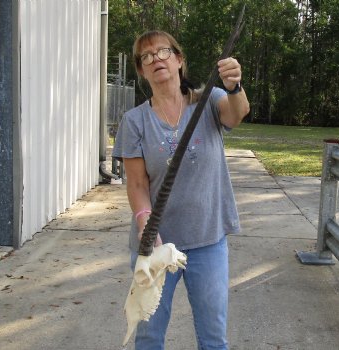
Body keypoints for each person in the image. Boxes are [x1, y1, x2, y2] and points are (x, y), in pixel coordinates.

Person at [113, 30, 250, 350]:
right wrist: (147, 227)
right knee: (148, 336)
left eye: (162, 52)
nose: (155, 59)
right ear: (142, 70)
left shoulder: (210, 101)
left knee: (213, 337)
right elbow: (136, 184)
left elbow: (237, 112)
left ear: (178, 60)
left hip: (208, 240)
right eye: (146, 57)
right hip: (154, 247)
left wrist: (234, 86)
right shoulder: (134, 121)